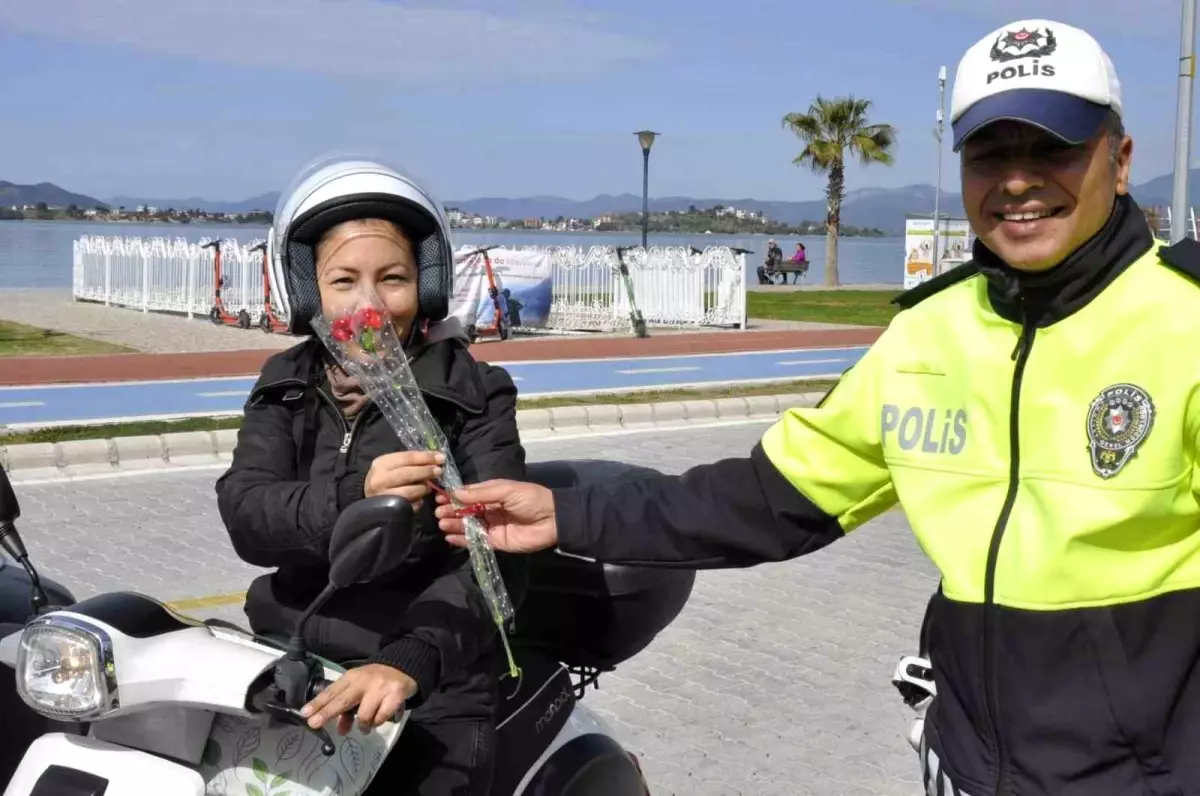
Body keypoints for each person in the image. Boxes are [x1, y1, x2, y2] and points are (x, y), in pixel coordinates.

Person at [436, 19, 1200, 795]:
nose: (1018, 180)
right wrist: (567, 515)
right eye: (991, 153)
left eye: (1053, 147)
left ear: (1123, 159)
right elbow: (764, 499)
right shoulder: (927, 332)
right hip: (967, 770)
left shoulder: (1187, 323)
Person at [215, 156, 526, 796]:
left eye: (393, 279)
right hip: (293, 655)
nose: (369, 305)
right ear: (309, 292)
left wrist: (409, 661)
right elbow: (248, 516)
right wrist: (355, 496)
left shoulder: (472, 392)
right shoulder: (285, 386)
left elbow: (496, 559)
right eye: (343, 280)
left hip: (426, 680)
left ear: (426, 286)